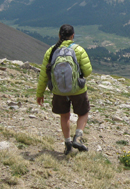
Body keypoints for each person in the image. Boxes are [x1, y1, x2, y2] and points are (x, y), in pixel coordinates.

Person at [36, 24, 93, 155]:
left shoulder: (51, 51)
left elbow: (44, 75)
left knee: (64, 115)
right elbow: (88, 71)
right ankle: (78, 137)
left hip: (58, 90)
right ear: (73, 36)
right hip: (78, 89)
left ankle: (67, 143)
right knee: (83, 113)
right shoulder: (78, 50)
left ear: (59, 35)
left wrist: (40, 93)